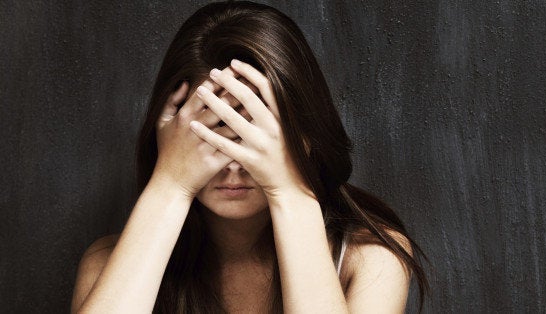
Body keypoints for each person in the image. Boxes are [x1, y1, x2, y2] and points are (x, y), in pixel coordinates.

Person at [71, 1, 429, 313]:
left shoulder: (368, 258)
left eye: (250, 138)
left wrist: (290, 192)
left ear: (305, 136)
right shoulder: (105, 263)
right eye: (213, 137)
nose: (232, 165)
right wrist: (169, 185)